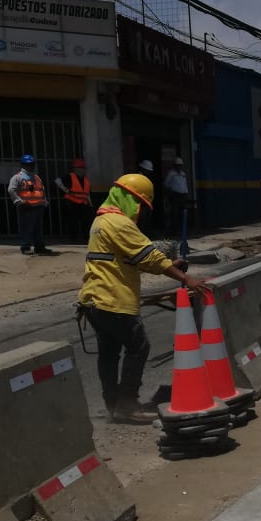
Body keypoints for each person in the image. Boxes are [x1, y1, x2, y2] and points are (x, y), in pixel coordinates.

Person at [77, 173, 210, 424]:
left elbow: (130, 260)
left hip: (94, 300)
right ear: (131, 200)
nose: (141, 213)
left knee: (109, 353)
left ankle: (113, 403)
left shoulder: (100, 222)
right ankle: (127, 405)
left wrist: (169, 264)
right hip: (114, 299)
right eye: (141, 206)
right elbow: (149, 256)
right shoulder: (119, 224)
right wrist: (185, 278)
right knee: (139, 346)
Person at [8, 153, 51, 256]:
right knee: (26, 227)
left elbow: (41, 189)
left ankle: (39, 246)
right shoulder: (17, 178)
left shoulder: (36, 177)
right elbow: (11, 190)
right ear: (23, 165)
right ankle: (25, 246)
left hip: (38, 206)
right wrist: (19, 201)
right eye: (28, 164)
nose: (31, 166)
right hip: (26, 207)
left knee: (38, 228)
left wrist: (44, 201)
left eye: (32, 164)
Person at [55, 157, 93, 243]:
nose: (82, 170)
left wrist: (90, 203)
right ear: (75, 169)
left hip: (83, 203)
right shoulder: (69, 176)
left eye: (83, 168)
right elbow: (57, 181)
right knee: (72, 222)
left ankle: (86, 238)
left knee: (86, 222)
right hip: (71, 203)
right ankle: (73, 238)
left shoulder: (85, 179)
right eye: (80, 168)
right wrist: (66, 190)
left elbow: (87, 193)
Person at [163, 157, 190, 236]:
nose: (179, 166)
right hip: (175, 195)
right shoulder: (171, 173)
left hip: (182, 195)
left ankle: (182, 229)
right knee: (174, 213)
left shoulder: (183, 174)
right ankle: (174, 230)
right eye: (177, 165)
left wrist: (186, 193)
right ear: (174, 165)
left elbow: (185, 185)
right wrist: (170, 193)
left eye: (180, 165)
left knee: (182, 212)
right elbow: (166, 184)